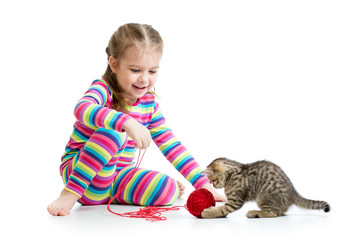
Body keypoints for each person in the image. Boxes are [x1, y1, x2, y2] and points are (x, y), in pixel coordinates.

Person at [47, 23, 226, 216]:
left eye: (152, 71)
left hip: (118, 180)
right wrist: (125, 121)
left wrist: (203, 184)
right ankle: (69, 193)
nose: (144, 79)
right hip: (82, 176)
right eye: (135, 70)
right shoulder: (103, 89)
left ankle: (120, 194)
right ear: (114, 64)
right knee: (113, 133)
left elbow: (171, 144)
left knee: (168, 190)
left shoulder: (148, 104)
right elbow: (82, 109)